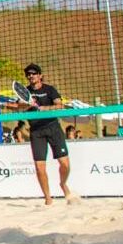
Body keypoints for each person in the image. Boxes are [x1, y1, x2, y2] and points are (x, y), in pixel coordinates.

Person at [19, 63, 77, 205]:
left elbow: (60, 105)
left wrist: (44, 108)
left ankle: (63, 184)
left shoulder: (49, 89)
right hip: (36, 131)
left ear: (40, 75)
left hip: (53, 128)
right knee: (39, 167)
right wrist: (29, 104)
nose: (30, 76)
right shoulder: (25, 92)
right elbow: (19, 106)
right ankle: (48, 198)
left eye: (33, 73)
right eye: (28, 74)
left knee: (65, 164)